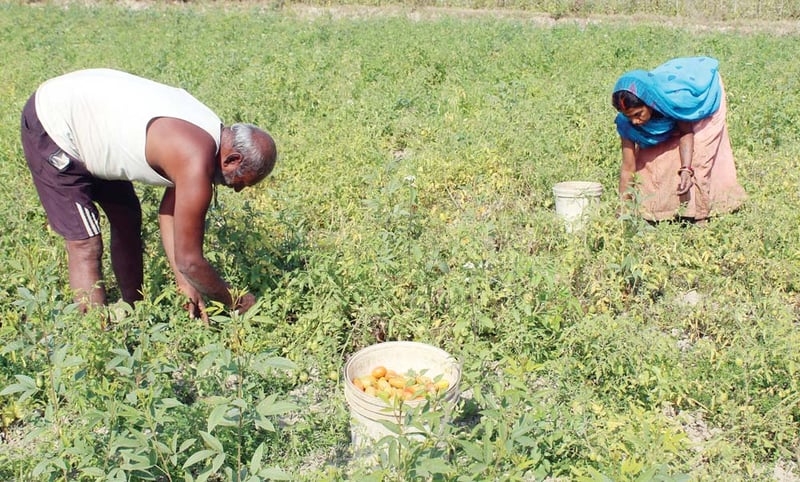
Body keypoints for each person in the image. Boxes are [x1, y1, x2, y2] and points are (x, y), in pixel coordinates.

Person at [20, 68, 277, 322]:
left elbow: (170, 215)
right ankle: (96, 342)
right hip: (54, 123)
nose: (237, 189)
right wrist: (237, 301)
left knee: (127, 217)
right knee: (85, 243)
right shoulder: (195, 161)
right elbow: (191, 261)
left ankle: (135, 313)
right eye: (242, 182)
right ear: (233, 159)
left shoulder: (207, 136)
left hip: (93, 120)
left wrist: (184, 282)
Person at [611, 56, 746, 223]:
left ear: (650, 102)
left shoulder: (673, 102)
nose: (635, 122)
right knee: (651, 160)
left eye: (638, 114)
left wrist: (686, 170)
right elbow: (628, 167)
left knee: (701, 154)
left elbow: (686, 132)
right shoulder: (627, 124)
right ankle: (660, 212)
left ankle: (701, 216)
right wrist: (623, 209)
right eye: (629, 117)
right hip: (671, 92)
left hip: (702, 94)